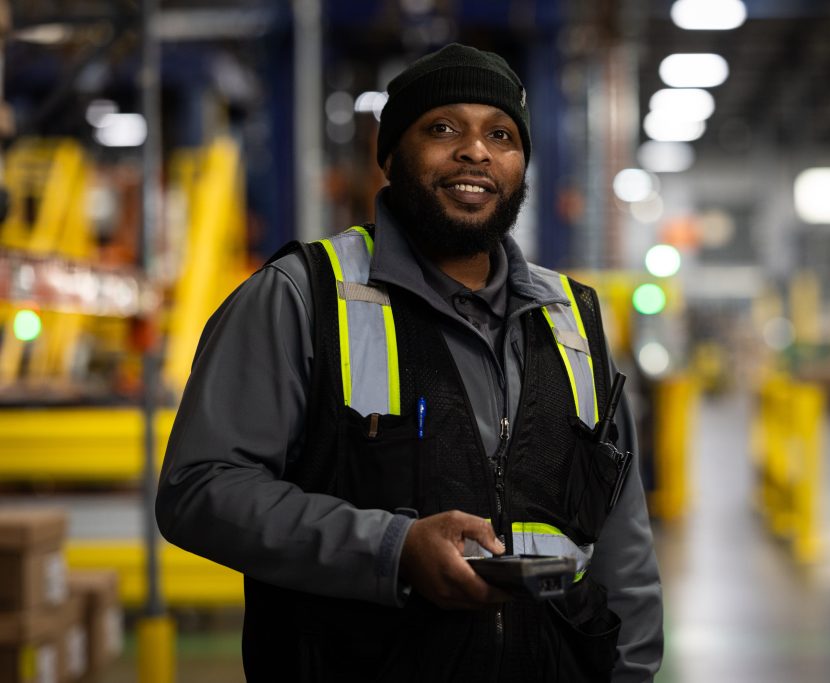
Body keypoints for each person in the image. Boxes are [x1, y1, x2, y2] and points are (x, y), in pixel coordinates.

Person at [156, 42, 663, 682]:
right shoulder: (301, 296)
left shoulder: (575, 317)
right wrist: (391, 551)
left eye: (501, 134)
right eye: (443, 128)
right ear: (391, 156)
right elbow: (200, 490)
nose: (475, 150)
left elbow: (621, 535)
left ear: (521, 165)